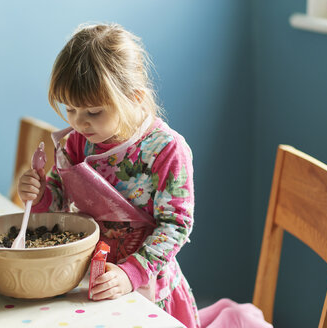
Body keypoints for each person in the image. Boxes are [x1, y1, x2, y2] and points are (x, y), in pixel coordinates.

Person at [17, 23, 199, 327]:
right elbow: (57, 200)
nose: (79, 122)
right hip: (89, 273)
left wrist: (132, 273)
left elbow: (176, 226)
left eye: (94, 112)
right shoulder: (77, 141)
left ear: (135, 97)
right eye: (71, 109)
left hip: (144, 284)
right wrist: (38, 196)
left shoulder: (167, 150)